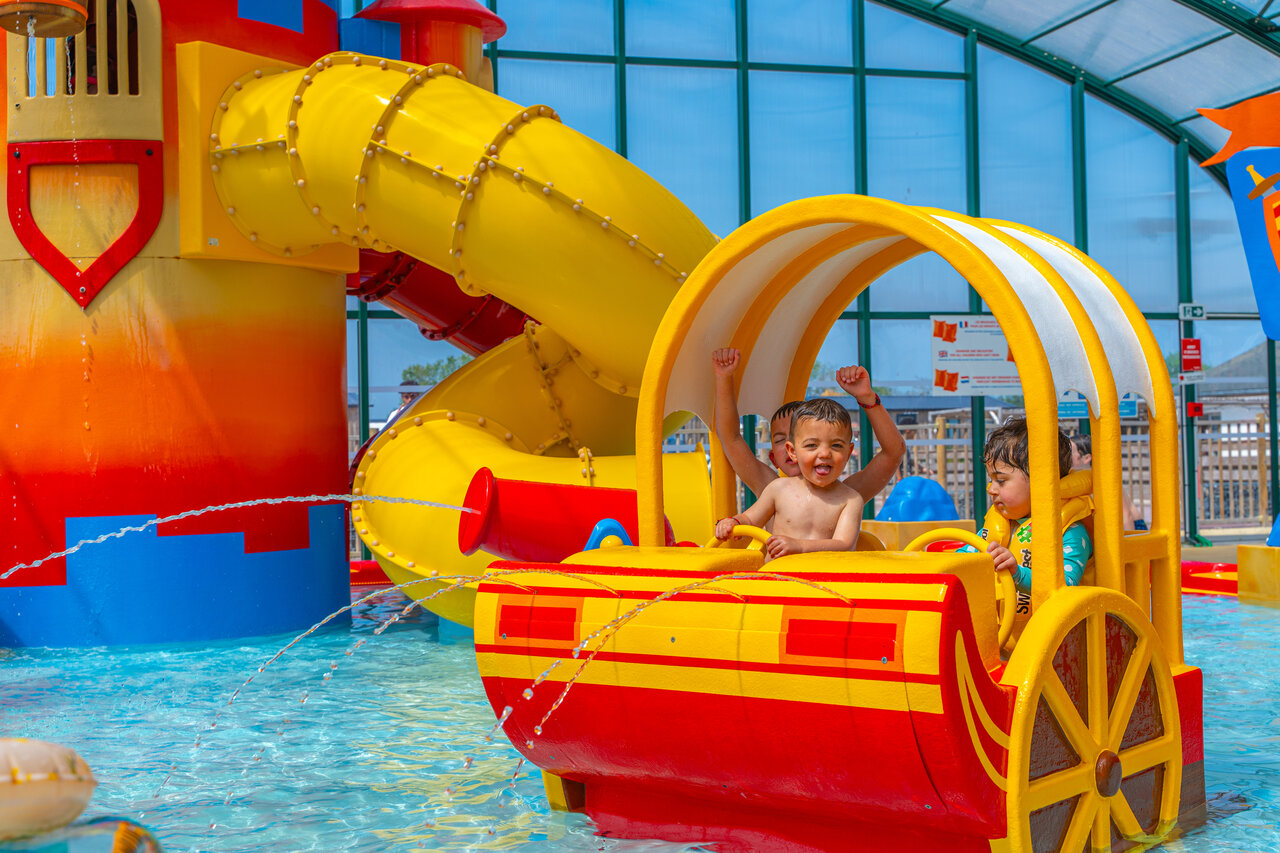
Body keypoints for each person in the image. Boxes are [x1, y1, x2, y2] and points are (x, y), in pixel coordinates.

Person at [710, 348, 906, 504]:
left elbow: (893, 453)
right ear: (775, 457)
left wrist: (867, 398)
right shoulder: (770, 488)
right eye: (782, 440)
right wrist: (724, 378)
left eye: (809, 440)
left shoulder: (847, 496)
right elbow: (730, 437)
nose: (794, 445)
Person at [714, 398, 865, 560]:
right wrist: (733, 522)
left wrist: (800, 546)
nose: (824, 454)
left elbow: (844, 544)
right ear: (792, 451)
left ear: (848, 453)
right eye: (812, 445)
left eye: (836, 445)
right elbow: (750, 518)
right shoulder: (778, 489)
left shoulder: (850, 500)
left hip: (821, 580)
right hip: (777, 577)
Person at [967, 417, 1092, 595]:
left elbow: (1066, 586)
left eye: (1001, 481)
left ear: (1041, 481)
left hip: (1046, 622)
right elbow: (964, 556)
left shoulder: (1070, 532)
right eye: (991, 480)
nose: (991, 489)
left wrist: (1017, 573)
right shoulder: (998, 525)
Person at [1070, 433, 1145, 530]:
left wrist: (1128, 541)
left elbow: (1126, 515)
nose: (1065, 455)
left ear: (1086, 458)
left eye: (1070, 452)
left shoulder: (1103, 479)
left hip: (1134, 527)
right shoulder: (1076, 481)